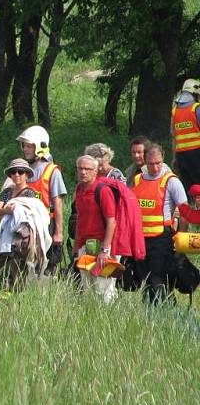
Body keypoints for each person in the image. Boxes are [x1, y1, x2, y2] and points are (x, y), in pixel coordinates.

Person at [0, 158, 50, 292]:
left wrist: (6, 212)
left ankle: (13, 307)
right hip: (3, 240)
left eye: (20, 172)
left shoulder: (30, 194)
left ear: (27, 175)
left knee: (16, 278)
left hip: (19, 241)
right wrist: (6, 211)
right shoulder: (6, 192)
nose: (16, 175)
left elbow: (28, 216)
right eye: (13, 172)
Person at [131, 143, 187, 304]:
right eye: (150, 164)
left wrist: (180, 241)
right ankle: (150, 315)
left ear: (163, 159)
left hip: (162, 239)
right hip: (140, 240)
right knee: (145, 278)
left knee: (159, 279)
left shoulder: (171, 181)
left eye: (158, 163)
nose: (155, 167)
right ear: (144, 161)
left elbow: (184, 213)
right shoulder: (137, 180)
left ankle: (167, 311)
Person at [16, 125, 67, 274]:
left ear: (40, 146)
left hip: (46, 226)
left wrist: (59, 232)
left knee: (43, 266)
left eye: (29, 146)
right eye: (24, 146)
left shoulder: (52, 171)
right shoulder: (21, 170)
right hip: (24, 225)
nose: (25, 149)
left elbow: (57, 204)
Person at [72, 155, 119, 303]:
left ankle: (109, 322)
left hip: (102, 247)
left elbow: (112, 222)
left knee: (104, 289)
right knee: (87, 289)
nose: (83, 172)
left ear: (96, 171)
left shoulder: (103, 191)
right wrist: (76, 246)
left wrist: (105, 251)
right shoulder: (79, 189)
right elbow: (80, 218)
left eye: (87, 169)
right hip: (85, 247)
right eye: (80, 168)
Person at [171, 79, 200, 192]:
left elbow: (173, 136)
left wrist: (174, 157)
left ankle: (191, 207)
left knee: (188, 188)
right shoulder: (196, 108)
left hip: (181, 156)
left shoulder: (174, 112)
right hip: (197, 153)